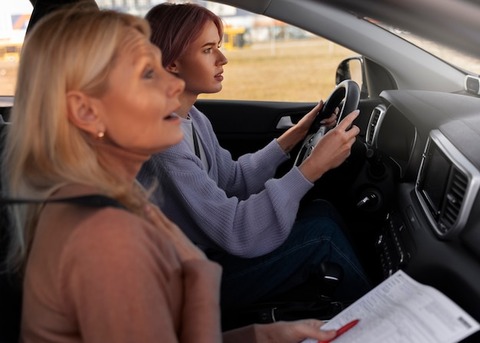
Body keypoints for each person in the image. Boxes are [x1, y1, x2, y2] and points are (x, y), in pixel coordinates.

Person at [2, 4, 339, 342]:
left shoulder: (112, 201)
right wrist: (199, 276)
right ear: (87, 113)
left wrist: (263, 336)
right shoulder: (105, 235)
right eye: (148, 73)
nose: (175, 87)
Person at [138, 2, 372, 311]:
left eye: (218, 47)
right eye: (208, 50)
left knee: (322, 211)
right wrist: (313, 168)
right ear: (172, 64)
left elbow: (231, 180)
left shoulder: (192, 116)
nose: (223, 58)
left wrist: (297, 134)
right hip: (182, 287)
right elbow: (236, 229)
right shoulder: (164, 143)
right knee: (322, 236)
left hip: (201, 259)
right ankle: (385, 322)